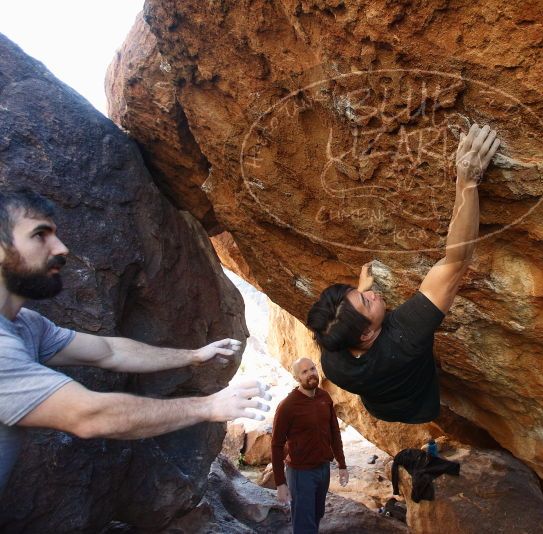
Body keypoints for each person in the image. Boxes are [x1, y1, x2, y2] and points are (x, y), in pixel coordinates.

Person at [0, 188, 270, 495]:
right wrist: (208, 406)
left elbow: (109, 351)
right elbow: (88, 415)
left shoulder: (27, 325)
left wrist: (194, 355)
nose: (61, 248)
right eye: (40, 235)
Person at [306, 123, 500, 423]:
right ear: (368, 334)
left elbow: (342, 323)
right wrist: (467, 180)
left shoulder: (334, 359)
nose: (372, 294)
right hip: (421, 406)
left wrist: (359, 298)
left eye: (360, 295)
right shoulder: (404, 338)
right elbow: (456, 261)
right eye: (368, 302)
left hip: (381, 408)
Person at [271, 358, 348, 534]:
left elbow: (335, 433)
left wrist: (342, 465)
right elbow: (276, 445)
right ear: (297, 377)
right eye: (304, 372)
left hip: (323, 469)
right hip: (300, 473)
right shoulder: (287, 406)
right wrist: (280, 483)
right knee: (304, 526)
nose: (311, 374)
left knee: (316, 517)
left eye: (312, 369)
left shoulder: (324, 397)